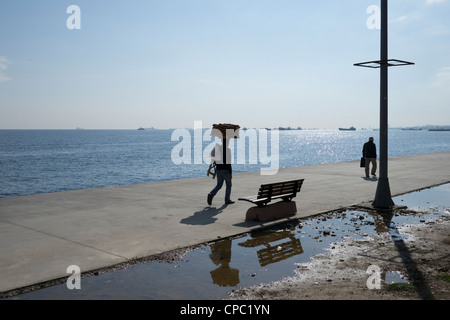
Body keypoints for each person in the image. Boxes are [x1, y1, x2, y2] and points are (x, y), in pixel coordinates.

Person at [207, 139, 234, 205]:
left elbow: (214, 159)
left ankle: (211, 194)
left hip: (219, 170)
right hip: (225, 170)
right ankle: (227, 200)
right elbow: (228, 163)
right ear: (227, 142)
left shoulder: (217, 149)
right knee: (229, 185)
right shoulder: (228, 150)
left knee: (219, 185)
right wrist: (230, 173)